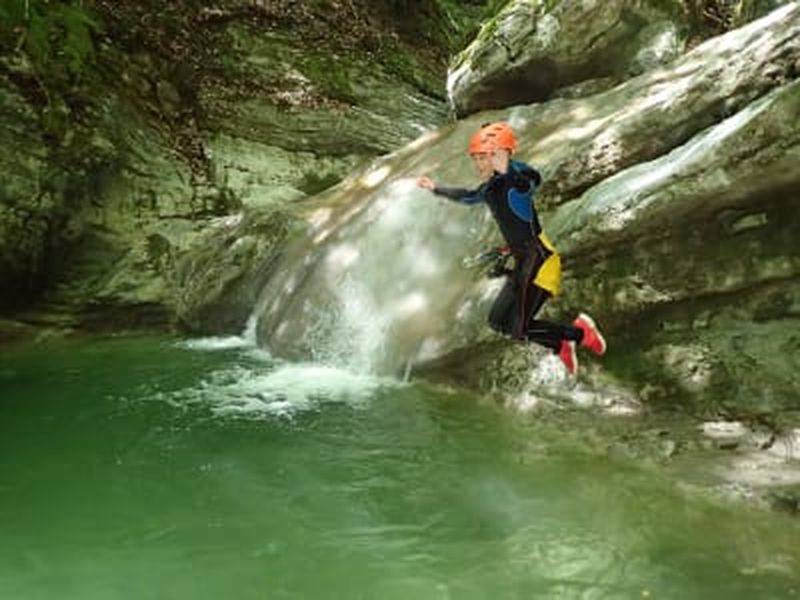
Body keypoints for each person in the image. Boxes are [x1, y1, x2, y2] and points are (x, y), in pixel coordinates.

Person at [416, 122, 606, 375]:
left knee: (519, 328)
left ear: (499, 155)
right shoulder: (490, 188)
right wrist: (435, 188)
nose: (478, 164)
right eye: (476, 158)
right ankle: (560, 344)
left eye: (483, 157)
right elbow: (469, 196)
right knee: (498, 322)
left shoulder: (516, 183)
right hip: (523, 261)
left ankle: (580, 333)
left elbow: (532, 181)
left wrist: (507, 165)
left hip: (541, 261)